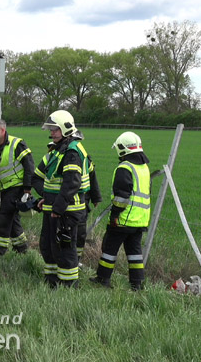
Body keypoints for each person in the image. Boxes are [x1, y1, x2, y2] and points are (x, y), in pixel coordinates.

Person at [31, 110, 90, 288]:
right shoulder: (58, 150)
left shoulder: (71, 152)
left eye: (55, 129)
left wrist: (57, 207)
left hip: (67, 210)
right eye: (51, 129)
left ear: (65, 129)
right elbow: (40, 178)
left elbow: (71, 184)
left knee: (65, 247)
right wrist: (46, 198)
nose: (51, 133)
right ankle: (52, 281)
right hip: (55, 209)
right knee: (49, 246)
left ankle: (69, 284)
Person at [90, 132, 150, 291]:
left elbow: (121, 197)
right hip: (140, 220)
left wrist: (115, 215)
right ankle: (137, 284)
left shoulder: (124, 168)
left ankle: (102, 279)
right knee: (135, 253)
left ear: (122, 149)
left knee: (109, 250)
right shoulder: (144, 167)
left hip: (123, 219)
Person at [0, 119, 34, 255]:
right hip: (4, 189)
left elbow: (29, 165)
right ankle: (22, 248)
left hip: (17, 187)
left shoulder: (17, 144)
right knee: (13, 220)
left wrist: (27, 189)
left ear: (3, 130)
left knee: (4, 217)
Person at [71, 130, 102, 260]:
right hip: (65, 202)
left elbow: (92, 177)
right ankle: (68, 259)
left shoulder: (85, 159)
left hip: (82, 201)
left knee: (80, 233)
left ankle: (76, 260)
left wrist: (96, 197)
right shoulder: (59, 156)